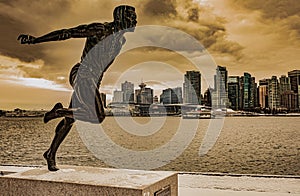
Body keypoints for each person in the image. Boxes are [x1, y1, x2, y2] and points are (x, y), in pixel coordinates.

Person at [18, 5, 137, 171]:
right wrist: (36, 40)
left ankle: (51, 153)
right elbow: (67, 33)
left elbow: (102, 66)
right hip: (82, 74)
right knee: (98, 116)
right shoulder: (100, 29)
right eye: (131, 16)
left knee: (71, 119)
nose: (135, 20)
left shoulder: (121, 41)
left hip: (93, 80)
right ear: (121, 16)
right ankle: (58, 112)